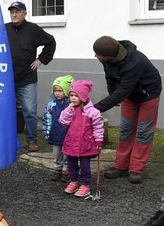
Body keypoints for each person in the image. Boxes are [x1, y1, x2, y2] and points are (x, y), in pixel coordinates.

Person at [92, 35, 162, 184]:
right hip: (130, 95)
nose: (95, 56)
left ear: (108, 56)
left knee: (144, 131)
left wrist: (95, 108)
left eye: (98, 54)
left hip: (148, 94)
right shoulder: (108, 60)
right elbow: (110, 78)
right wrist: (112, 95)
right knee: (125, 130)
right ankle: (121, 166)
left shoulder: (135, 62)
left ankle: (136, 168)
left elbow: (123, 90)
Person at [5, 1, 56, 152]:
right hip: (6, 79)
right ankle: (8, 140)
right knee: (6, 111)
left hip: (27, 79)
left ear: (25, 13)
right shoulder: (3, 29)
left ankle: (32, 140)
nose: (14, 15)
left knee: (30, 112)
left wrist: (41, 59)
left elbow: (51, 42)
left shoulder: (33, 29)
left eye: (17, 12)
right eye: (12, 12)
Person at [58, 79, 104, 199]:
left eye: (76, 96)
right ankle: (73, 181)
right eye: (71, 95)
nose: (73, 98)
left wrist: (99, 140)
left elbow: (98, 127)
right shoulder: (71, 110)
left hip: (86, 145)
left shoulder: (93, 112)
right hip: (72, 143)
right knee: (71, 165)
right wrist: (69, 109)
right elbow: (63, 121)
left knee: (85, 166)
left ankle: (85, 185)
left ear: (83, 96)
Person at [42, 75, 74, 181]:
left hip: (68, 134)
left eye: (60, 90)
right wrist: (47, 131)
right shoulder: (51, 105)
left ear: (66, 91)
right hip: (55, 134)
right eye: (55, 90)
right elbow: (47, 118)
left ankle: (68, 170)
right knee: (57, 154)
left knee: (67, 154)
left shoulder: (71, 104)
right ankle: (57, 170)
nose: (57, 93)